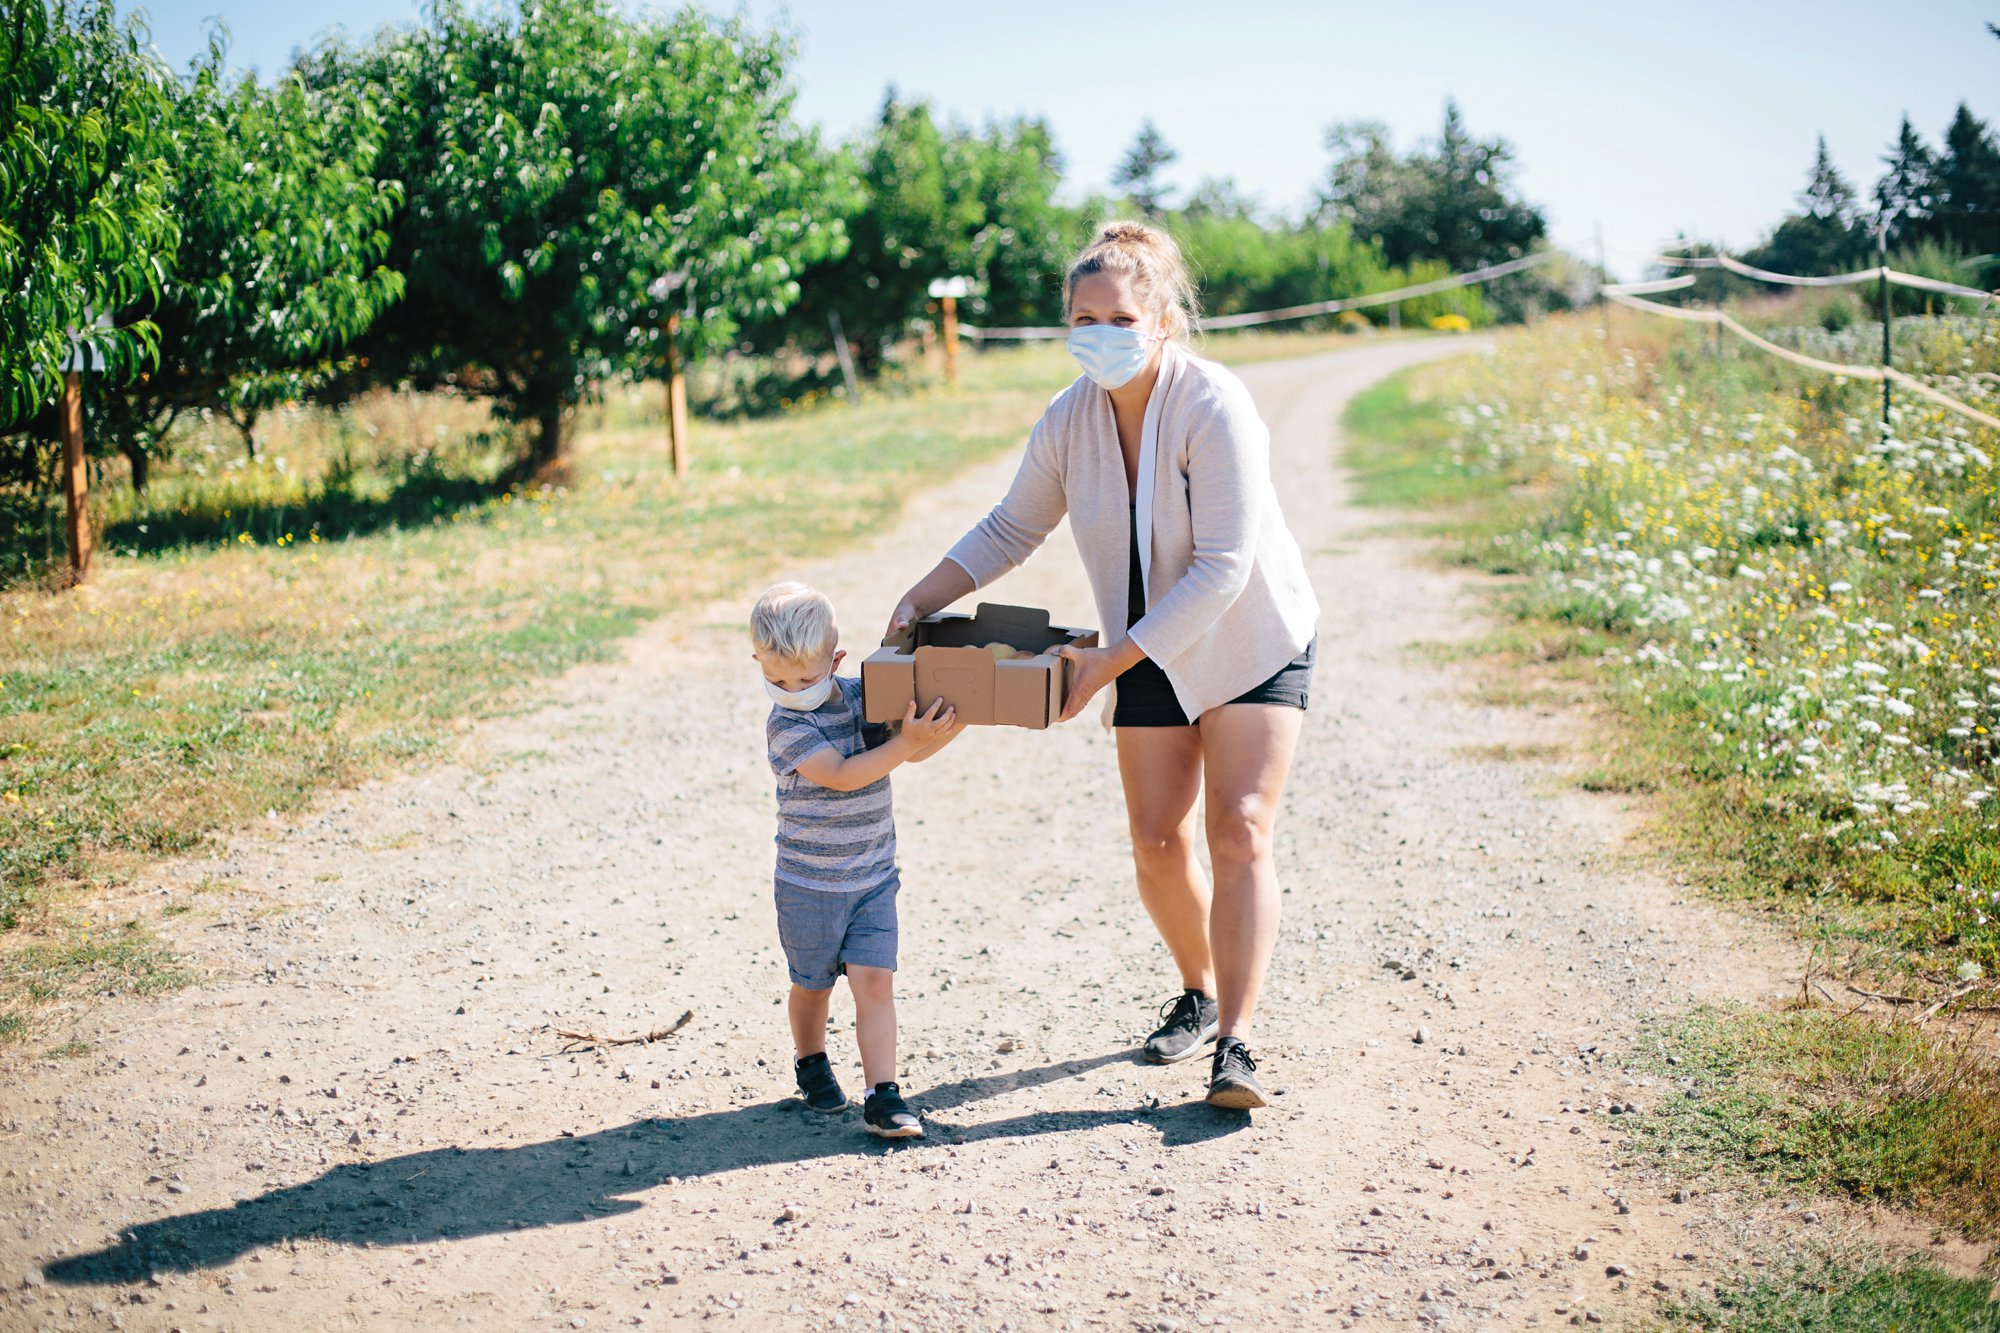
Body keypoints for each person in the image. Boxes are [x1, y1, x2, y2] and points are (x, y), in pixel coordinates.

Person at [888, 222, 1318, 1110]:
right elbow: (1012, 526)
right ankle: (1199, 989)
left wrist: (1103, 665)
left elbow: (1223, 568)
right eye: (1084, 318)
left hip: (1247, 636)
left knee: (1239, 828)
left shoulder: (1213, 403)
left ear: (1162, 321)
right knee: (1157, 841)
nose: (1101, 334)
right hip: (1148, 641)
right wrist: (919, 598)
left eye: (1120, 318)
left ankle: (1236, 1043)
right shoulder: (1069, 418)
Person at [752, 581, 964, 1138]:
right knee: (813, 986)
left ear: (836, 661)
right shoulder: (786, 725)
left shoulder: (861, 696)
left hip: (873, 879)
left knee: (874, 982)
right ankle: (811, 1061)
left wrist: (953, 720)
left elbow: (909, 749)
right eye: (777, 680)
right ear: (758, 664)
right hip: (808, 886)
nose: (792, 690)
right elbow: (844, 775)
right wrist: (907, 744)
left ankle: (883, 1095)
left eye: (806, 679)